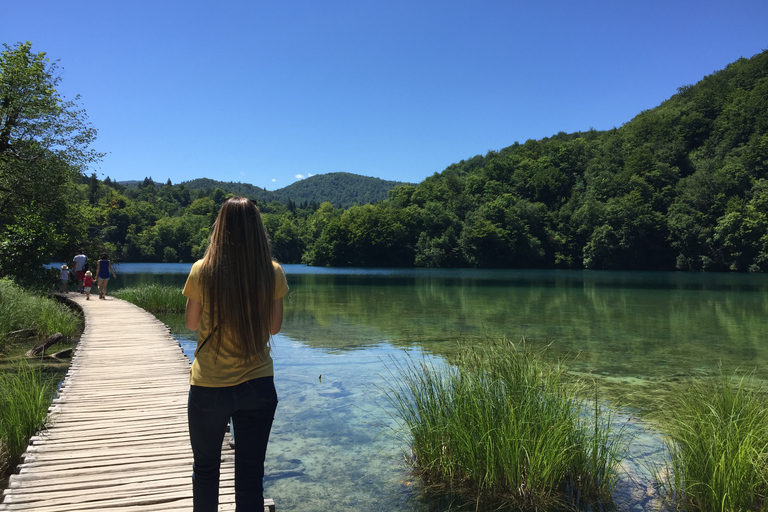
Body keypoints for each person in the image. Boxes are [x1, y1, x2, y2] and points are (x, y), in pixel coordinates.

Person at [183, 197, 288, 511]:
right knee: (250, 476)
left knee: (205, 471)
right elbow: (274, 328)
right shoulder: (272, 272)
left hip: (209, 386)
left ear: (221, 226)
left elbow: (190, 323)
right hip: (257, 386)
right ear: (258, 229)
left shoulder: (203, 270)